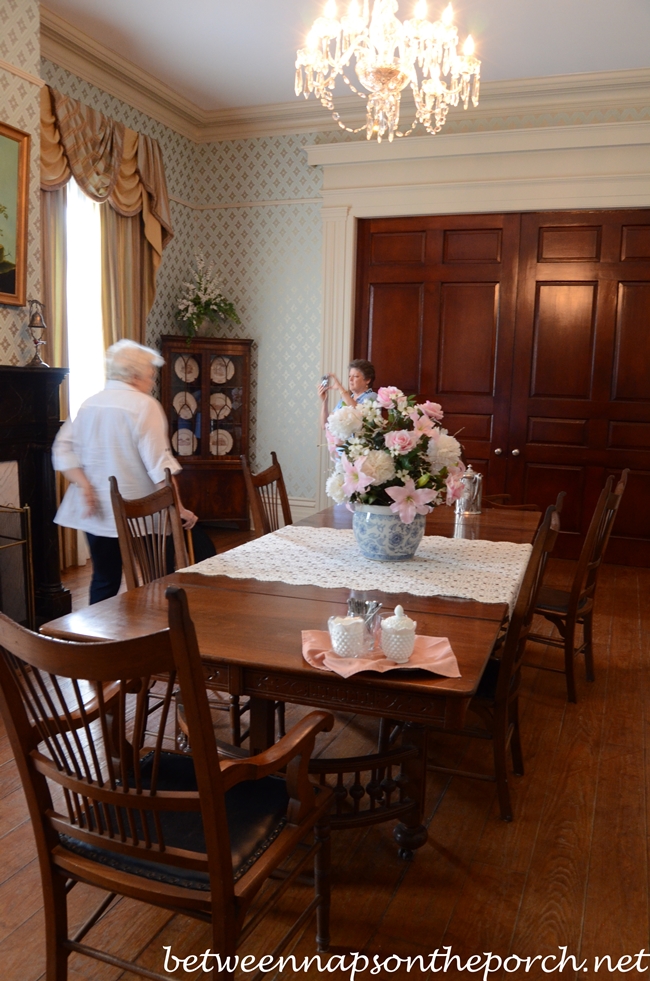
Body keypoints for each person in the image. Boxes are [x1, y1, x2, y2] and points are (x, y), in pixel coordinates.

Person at [52, 339, 209, 605]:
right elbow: (159, 463)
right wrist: (178, 509)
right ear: (135, 376)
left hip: (98, 511)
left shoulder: (90, 403)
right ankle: (159, 631)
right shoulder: (144, 405)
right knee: (157, 578)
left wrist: (85, 486)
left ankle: (96, 641)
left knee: (104, 579)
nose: (151, 381)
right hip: (141, 513)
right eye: (150, 375)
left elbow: (62, 449)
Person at [318, 358, 377, 429]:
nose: (350, 379)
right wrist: (325, 401)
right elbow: (325, 425)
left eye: (355, 376)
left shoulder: (372, 396)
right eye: (349, 376)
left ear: (367, 380)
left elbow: (358, 413)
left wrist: (340, 387)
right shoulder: (344, 400)